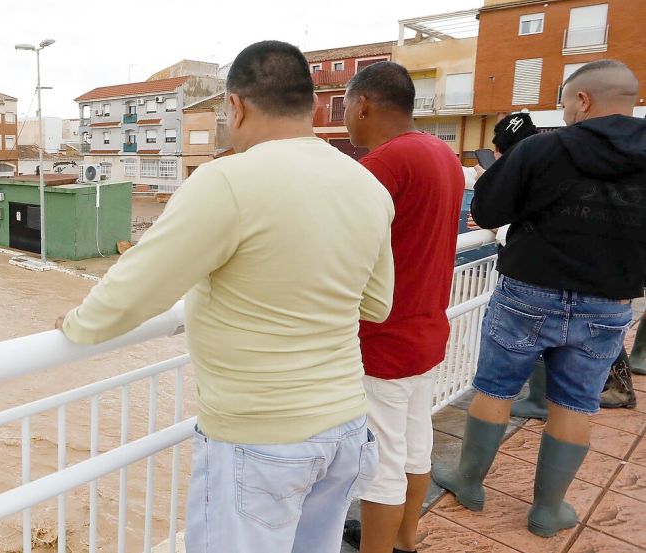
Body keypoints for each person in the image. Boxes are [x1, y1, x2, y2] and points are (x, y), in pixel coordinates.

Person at [56, 40, 395, 552]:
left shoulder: (228, 181)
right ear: (312, 106)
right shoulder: (366, 185)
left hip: (260, 439)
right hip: (344, 428)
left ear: (235, 106)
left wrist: (76, 325)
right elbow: (377, 304)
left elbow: (137, 288)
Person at [432, 59, 646, 537]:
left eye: (566, 103)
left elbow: (486, 208)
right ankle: (547, 511)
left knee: (495, 390)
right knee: (575, 405)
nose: (565, 112)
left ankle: (469, 482)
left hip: (528, 291)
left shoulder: (543, 149)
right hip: (609, 302)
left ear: (584, 100)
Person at [338, 62, 463, 553]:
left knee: (380, 464)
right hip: (426, 329)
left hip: (385, 339)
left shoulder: (383, 167)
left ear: (362, 104)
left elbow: (339, 249)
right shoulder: (441, 152)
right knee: (414, 447)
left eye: (345, 105)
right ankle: (405, 540)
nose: (346, 116)